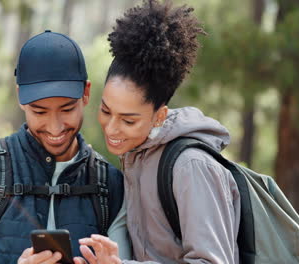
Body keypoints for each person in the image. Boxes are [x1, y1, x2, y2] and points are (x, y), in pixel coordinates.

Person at [0, 30, 131, 264]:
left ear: (86, 93)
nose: (55, 127)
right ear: (20, 98)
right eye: (39, 112)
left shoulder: (113, 185)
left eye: (67, 109)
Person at [76, 1, 241, 263]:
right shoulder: (136, 156)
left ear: (159, 116)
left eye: (128, 121)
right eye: (106, 111)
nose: (111, 128)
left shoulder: (192, 167)